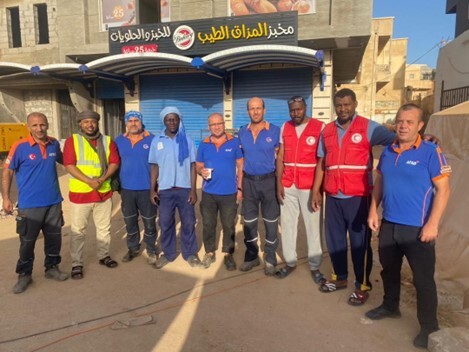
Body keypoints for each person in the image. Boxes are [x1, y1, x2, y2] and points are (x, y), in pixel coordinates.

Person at [366, 104, 451, 349]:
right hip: (390, 224)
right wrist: (373, 209)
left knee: (423, 280)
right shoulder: (388, 151)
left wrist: (432, 224)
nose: (403, 126)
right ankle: (390, 306)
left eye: (409, 122)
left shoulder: (430, 151)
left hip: (418, 229)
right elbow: (380, 181)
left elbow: (443, 190)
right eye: (400, 121)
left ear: (420, 126)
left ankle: (429, 327)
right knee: (389, 271)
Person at [312, 88, 396, 305]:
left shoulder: (369, 127)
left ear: (355, 104)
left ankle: (362, 285)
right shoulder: (327, 131)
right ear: (334, 106)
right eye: (339, 105)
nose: (343, 109)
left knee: (360, 244)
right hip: (333, 196)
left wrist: (423, 139)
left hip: (359, 197)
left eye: (347, 104)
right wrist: (316, 191)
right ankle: (339, 278)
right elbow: (322, 163)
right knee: (335, 242)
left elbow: (397, 139)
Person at [2, 112, 68, 293]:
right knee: (27, 242)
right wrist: (7, 198)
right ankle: (24, 275)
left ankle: (52, 268)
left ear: (47, 125)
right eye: (35, 125)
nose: (39, 129)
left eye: (42, 125)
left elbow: (68, 162)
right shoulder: (20, 146)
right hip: (29, 205)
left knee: (54, 238)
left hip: (53, 202)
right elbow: (7, 172)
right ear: (28, 127)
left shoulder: (54, 143)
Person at [63, 110, 120, 279]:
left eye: (93, 122)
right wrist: (89, 181)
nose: (90, 125)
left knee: (104, 229)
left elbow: (114, 162)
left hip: (103, 192)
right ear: (80, 124)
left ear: (97, 123)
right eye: (86, 122)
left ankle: (104, 256)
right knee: (78, 231)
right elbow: (69, 165)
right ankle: (77, 263)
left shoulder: (108, 141)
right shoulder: (72, 141)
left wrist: (103, 178)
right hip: (81, 194)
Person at [275, 96, 325, 282]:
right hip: (289, 183)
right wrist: (279, 182)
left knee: (313, 226)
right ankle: (290, 262)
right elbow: (280, 157)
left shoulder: (319, 127)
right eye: (292, 110)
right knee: (288, 225)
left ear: (306, 108)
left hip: (309, 185)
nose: (296, 113)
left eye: (299, 109)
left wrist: (318, 189)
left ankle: (315, 265)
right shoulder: (285, 127)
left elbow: (322, 160)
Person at [149, 106, 201, 269]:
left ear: (179, 120)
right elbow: (154, 166)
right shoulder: (157, 141)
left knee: (188, 222)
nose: (172, 122)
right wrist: (152, 189)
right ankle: (169, 253)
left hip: (185, 189)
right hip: (164, 190)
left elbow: (193, 166)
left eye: (175, 119)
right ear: (164, 121)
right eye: (168, 119)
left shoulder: (187, 140)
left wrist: (193, 189)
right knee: (165, 223)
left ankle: (190, 253)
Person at [237, 97, 280, 276]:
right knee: (249, 222)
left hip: (269, 181)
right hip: (248, 182)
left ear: (264, 110)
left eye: (258, 108)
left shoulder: (276, 131)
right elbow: (240, 162)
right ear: (247, 111)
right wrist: (239, 187)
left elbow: (282, 160)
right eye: (252, 109)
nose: (255, 111)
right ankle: (252, 255)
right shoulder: (242, 132)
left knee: (271, 221)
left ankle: (270, 257)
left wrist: (280, 185)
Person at [196, 113, 243, 271]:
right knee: (209, 224)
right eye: (213, 124)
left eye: (219, 123)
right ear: (209, 127)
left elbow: (241, 166)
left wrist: (240, 188)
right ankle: (209, 252)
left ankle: (228, 254)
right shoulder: (204, 144)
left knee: (229, 225)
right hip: (209, 193)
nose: (216, 127)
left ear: (224, 124)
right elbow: (198, 165)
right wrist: (201, 171)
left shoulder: (234, 142)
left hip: (229, 192)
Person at [115, 111, 158, 265]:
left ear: (141, 122)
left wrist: (155, 187)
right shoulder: (119, 141)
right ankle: (133, 248)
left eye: (136, 120)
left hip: (147, 189)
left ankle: (152, 249)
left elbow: (158, 164)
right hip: (127, 189)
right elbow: (114, 163)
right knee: (130, 221)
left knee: (149, 221)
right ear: (126, 123)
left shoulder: (152, 139)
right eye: (130, 121)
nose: (133, 123)